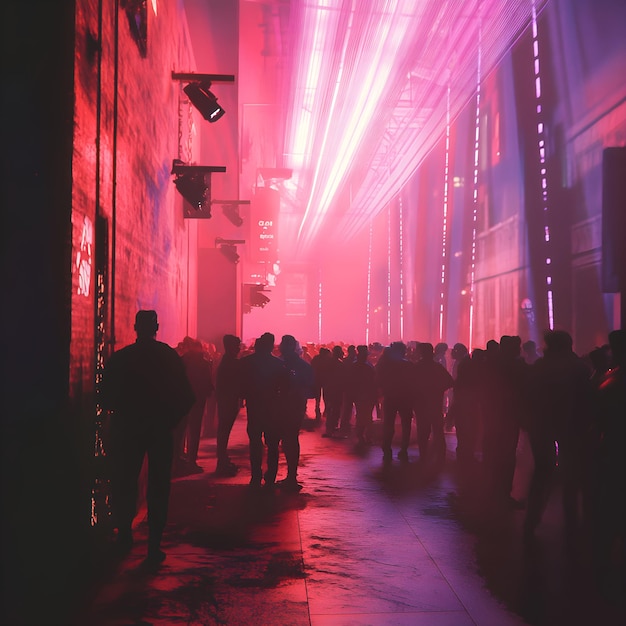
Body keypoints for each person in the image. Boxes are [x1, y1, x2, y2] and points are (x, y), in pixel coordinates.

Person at [101, 310, 195, 566]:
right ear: (157, 327)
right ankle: (154, 545)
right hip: (159, 429)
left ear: (134, 327)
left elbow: (105, 395)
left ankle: (124, 533)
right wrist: (169, 421)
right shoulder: (168, 356)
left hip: (127, 427)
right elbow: (187, 396)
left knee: (124, 480)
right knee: (159, 485)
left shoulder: (121, 358)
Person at [239, 332, 289, 487]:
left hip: (254, 407)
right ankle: (271, 475)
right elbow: (284, 388)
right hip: (273, 409)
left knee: (255, 442)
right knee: (273, 444)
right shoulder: (279, 364)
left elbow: (241, 385)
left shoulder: (247, 362)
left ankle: (256, 475)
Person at [265, 335, 314, 491]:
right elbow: (311, 389)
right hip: (295, 410)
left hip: (277, 409)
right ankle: (291, 476)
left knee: (273, 443)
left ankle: (272, 476)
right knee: (291, 442)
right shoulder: (304, 366)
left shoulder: (276, 364)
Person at [174, 337, 214, 476]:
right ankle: (191, 462)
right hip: (198, 401)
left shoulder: (182, 361)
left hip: (182, 401)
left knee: (180, 432)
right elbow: (209, 385)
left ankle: (177, 462)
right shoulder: (204, 363)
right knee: (194, 432)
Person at [413, 342, 454, 467]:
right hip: (435, 403)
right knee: (438, 431)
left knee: (423, 432)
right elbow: (450, 381)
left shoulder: (417, 367)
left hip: (421, 405)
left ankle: (423, 456)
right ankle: (440, 458)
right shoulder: (437, 367)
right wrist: (438, 389)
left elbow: (410, 384)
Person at [377, 341, 415, 462]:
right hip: (406, 398)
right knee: (406, 424)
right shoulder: (409, 365)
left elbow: (378, 380)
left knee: (388, 423)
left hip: (390, 397)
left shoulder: (385, 365)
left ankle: (387, 448)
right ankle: (403, 449)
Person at [214, 334, 242, 477]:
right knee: (224, 432)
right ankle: (222, 462)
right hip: (228, 401)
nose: (238, 348)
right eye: (236, 345)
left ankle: (223, 460)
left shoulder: (226, 361)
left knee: (223, 432)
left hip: (226, 400)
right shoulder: (230, 363)